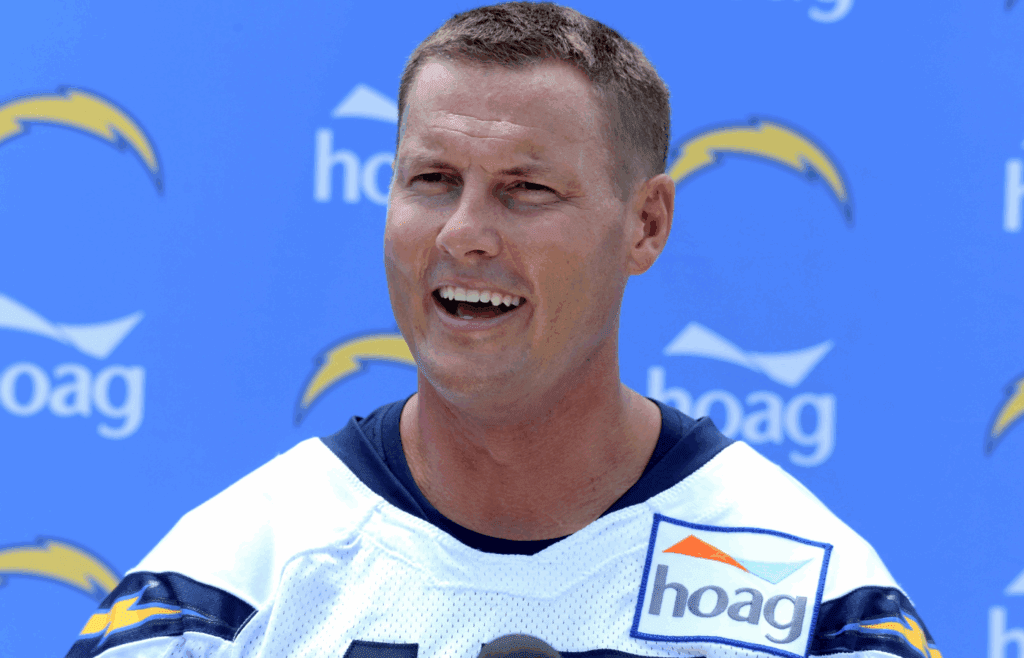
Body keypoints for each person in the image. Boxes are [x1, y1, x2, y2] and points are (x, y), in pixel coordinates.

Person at [66, 3, 940, 657]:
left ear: (647, 225)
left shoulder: (814, 599)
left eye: (527, 190)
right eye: (433, 180)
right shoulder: (221, 593)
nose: (463, 234)